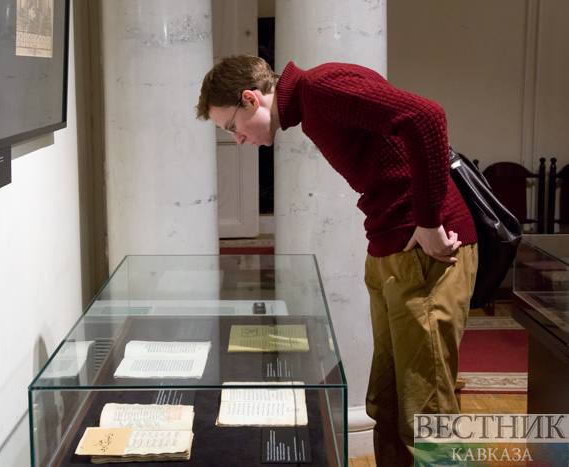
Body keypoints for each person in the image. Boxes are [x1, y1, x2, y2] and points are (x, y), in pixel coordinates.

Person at [196, 54, 478, 466]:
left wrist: (429, 220)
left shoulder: (320, 88)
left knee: (427, 413)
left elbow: (426, 116)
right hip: (393, 251)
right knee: (387, 403)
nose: (237, 139)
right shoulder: (312, 103)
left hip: (426, 253)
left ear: (251, 99)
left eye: (231, 126)